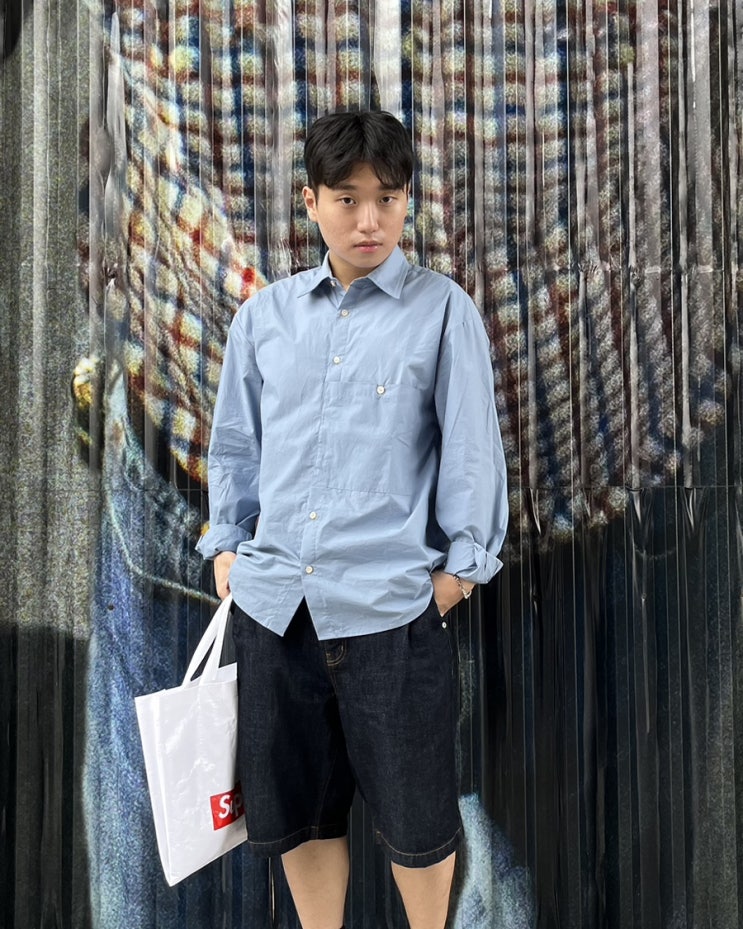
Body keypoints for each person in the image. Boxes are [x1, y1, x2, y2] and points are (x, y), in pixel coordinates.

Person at [197, 110, 508, 929]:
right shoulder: (265, 317)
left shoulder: (442, 311)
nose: (369, 219)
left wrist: (455, 576)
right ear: (310, 201)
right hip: (276, 611)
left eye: (387, 198)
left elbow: (471, 450)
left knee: (417, 821)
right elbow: (235, 444)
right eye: (346, 198)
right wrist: (228, 546)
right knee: (299, 813)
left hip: (390, 614)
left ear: (407, 200)